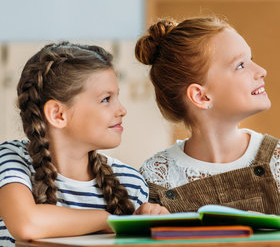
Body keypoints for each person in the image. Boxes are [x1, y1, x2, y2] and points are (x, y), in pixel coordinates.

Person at [136, 17, 280, 228]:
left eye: (251, 59)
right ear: (201, 97)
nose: (261, 71)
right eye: (240, 65)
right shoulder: (155, 175)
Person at [0, 42, 168, 246]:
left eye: (117, 97)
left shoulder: (131, 184)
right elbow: (27, 224)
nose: (122, 109)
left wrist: (155, 224)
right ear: (58, 114)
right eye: (106, 99)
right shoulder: (11, 160)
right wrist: (109, 220)